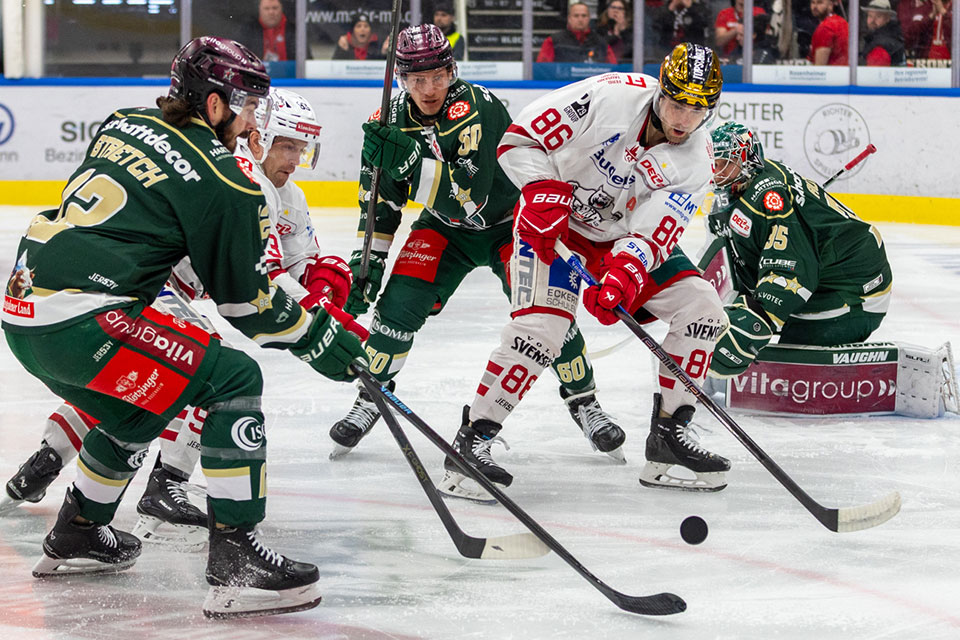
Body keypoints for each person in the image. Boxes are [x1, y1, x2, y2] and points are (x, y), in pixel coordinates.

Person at [1, 36, 368, 619]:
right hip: (87, 321)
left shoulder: (125, 123)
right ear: (216, 104)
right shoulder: (226, 180)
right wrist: (329, 343)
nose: (252, 124)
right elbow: (248, 306)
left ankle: (78, 531)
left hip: (23, 313)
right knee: (232, 376)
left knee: (137, 408)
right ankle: (237, 558)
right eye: (246, 106)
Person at [444, 42, 732, 500]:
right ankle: (473, 440)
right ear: (660, 92)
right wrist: (540, 187)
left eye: (697, 110)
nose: (682, 119)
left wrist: (625, 274)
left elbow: (655, 232)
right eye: (677, 103)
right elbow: (519, 139)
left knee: (704, 311)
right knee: (542, 331)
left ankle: (668, 439)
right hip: (552, 226)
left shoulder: (696, 160)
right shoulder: (608, 98)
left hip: (619, 242)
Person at [333, 24, 625, 467]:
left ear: (452, 71)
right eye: (416, 80)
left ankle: (584, 400)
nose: (429, 89)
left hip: (513, 223)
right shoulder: (386, 123)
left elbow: (472, 199)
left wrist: (412, 160)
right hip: (443, 227)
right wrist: (365, 262)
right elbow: (379, 203)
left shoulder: (477, 106)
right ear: (401, 80)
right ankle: (372, 394)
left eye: (438, 77)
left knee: (549, 314)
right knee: (396, 307)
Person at [704, 121, 892, 381]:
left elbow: (791, 268)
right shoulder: (742, 191)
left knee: (786, 352)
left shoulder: (770, 197)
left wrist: (758, 318)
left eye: (725, 163)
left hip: (856, 291)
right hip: (825, 278)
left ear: (747, 160)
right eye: (714, 164)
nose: (717, 173)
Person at [537, 2, 618, 63]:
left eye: (584, 16)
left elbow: (612, 69)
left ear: (589, 18)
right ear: (569, 18)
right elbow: (543, 69)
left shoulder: (601, 43)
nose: (580, 19)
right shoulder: (553, 41)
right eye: (576, 16)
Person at [860, 0, 906, 66]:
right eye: (870, 16)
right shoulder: (873, 38)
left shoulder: (881, 48)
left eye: (878, 16)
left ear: (887, 18)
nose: (873, 20)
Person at [808, 0, 848, 64]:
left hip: (831, 73)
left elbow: (820, 68)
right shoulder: (842, 22)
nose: (815, 6)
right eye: (812, 2)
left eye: (820, 2)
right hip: (844, 72)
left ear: (830, 5)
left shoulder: (825, 28)